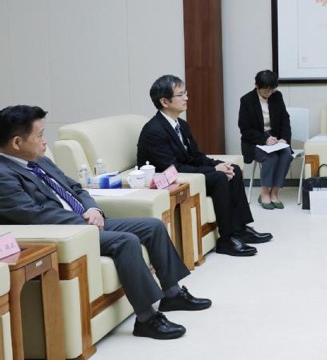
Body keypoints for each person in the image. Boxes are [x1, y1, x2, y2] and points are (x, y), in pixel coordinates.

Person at [0, 105, 211, 340]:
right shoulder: (3, 174)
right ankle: (146, 319)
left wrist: (93, 209)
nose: (45, 141)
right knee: (126, 241)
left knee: (153, 226)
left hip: (87, 220)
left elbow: (76, 188)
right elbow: (32, 215)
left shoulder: (40, 160)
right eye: (39, 135)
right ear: (17, 142)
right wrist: (83, 221)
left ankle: (172, 294)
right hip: (68, 233)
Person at [137, 75, 272, 257]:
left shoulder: (181, 125)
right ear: (164, 101)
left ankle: (240, 229)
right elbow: (172, 169)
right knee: (219, 177)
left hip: (186, 172)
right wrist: (214, 170)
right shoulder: (154, 131)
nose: (186, 98)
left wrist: (218, 164)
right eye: (181, 94)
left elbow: (195, 156)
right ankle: (226, 239)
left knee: (232, 169)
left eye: (186, 93)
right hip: (169, 181)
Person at [238, 69, 294, 210]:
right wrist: (264, 139)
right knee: (271, 158)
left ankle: (274, 192)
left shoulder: (277, 96)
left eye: (271, 90)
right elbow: (245, 129)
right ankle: (264, 193)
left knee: (286, 155)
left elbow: (285, 119)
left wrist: (284, 139)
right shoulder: (247, 100)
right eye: (265, 90)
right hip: (255, 141)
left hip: (276, 140)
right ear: (256, 85)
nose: (268, 93)